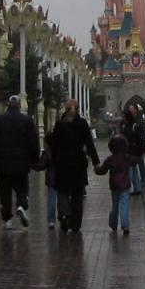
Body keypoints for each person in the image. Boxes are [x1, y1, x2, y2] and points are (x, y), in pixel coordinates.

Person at [0, 94, 39, 229]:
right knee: (22, 188)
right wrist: (34, 158)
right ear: (19, 106)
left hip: (3, 164)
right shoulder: (27, 121)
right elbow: (33, 142)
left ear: (8, 105)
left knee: (5, 191)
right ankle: (21, 205)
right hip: (22, 163)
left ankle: (7, 219)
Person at [51, 98, 100, 233]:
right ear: (77, 109)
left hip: (62, 164)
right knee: (77, 194)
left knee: (62, 191)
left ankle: (65, 215)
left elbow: (54, 145)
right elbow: (89, 143)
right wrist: (96, 162)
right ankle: (76, 223)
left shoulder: (59, 124)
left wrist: (53, 161)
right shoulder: (82, 123)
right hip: (78, 163)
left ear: (65, 109)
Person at [94, 130, 136, 234]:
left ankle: (113, 224)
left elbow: (102, 170)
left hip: (114, 186)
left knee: (115, 205)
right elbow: (135, 162)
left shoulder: (110, 159)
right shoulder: (127, 158)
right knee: (124, 205)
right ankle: (125, 226)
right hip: (125, 185)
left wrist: (96, 169)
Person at [31, 132, 58, 228]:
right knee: (63, 198)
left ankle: (51, 220)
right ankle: (63, 216)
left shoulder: (47, 152)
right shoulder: (61, 150)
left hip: (51, 179)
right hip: (62, 177)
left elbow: (41, 165)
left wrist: (31, 165)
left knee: (51, 199)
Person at [121, 105, 145, 194]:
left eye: (131, 109)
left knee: (132, 168)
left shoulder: (136, 124)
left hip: (134, 151)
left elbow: (140, 137)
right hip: (131, 150)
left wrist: (143, 149)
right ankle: (137, 187)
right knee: (134, 168)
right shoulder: (126, 125)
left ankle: (131, 187)